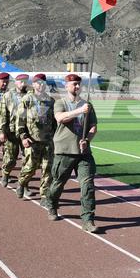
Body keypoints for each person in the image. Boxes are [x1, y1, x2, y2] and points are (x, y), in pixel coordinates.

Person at [46, 73, 99, 233]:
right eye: (74, 84)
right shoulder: (60, 103)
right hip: (64, 151)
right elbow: (60, 118)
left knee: (87, 185)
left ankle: (88, 219)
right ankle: (51, 204)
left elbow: (93, 127)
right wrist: (80, 110)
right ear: (66, 86)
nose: (77, 86)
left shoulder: (87, 105)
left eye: (78, 84)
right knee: (58, 183)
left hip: (83, 152)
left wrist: (87, 139)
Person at [16, 73, 56, 200]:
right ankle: (21, 182)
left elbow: (54, 122)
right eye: (38, 83)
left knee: (47, 169)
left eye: (43, 83)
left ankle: (44, 196)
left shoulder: (50, 101)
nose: (41, 85)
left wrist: (55, 137)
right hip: (32, 140)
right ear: (33, 84)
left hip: (47, 140)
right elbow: (20, 120)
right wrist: (23, 137)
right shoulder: (27, 99)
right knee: (30, 168)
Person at [0, 73, 29, 186]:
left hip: (26, 132)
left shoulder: (30, 95)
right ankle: (6, 173)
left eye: (25, 82)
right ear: (16, 83)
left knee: (27, 159)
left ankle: (24, 184)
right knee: (10, 158)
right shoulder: (8, 96)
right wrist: (2, 131)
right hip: (12, 131)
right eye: (21, 82)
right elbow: (2, 114)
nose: (23, 84)